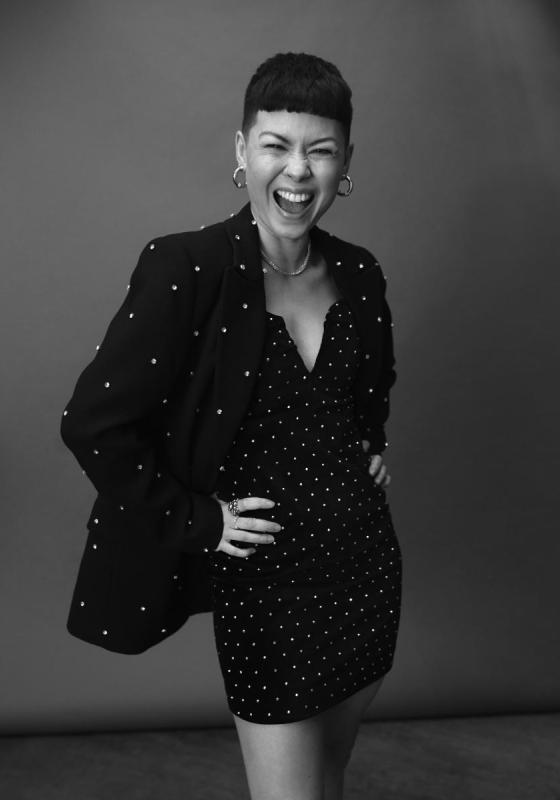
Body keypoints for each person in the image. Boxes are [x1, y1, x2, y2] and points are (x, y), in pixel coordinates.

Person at [61, 52, 402, 800]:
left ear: (346, 161)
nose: (298, 171)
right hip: (266, 584)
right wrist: (198, 522)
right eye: (277, 145)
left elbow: (369, 389)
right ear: (241, 150)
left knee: (328, 778)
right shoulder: (187, 267)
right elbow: (93, 422)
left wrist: (369, 449)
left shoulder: (362, 273)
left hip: (363, 567)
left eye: (321, 150)